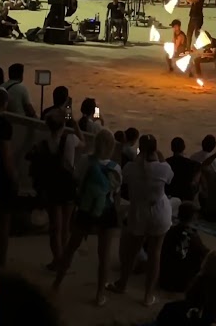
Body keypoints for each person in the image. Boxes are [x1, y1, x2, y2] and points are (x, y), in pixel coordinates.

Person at [52, 129, 123, 306]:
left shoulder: (85, 160)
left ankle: (56, 284)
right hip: (107, 212)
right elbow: (115, 192)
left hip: (85, 210)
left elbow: (77, 180)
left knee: (70, 248)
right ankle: (100, 295)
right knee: (104, 255)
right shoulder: (116, 168)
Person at [111, 134, 175, 307]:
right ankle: (148, 296)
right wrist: (160, 156)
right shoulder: (163, 168)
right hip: (159, 212)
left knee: (131, 252)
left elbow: (124, 179)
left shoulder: (131, 168)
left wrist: (139, 158)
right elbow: (169, 176)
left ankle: (122, 284)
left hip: (138, 212)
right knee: (155, 254)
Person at [32, 109, 83, 269]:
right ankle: (65, 260)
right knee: (66, 227)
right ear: (63, 124)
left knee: (55, 227)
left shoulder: (43, 143)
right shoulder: (70, 139)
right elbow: (84, 143)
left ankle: (57, 259)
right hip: (68, 185)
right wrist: (74, 123)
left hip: (52, 186)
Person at [159, 201, 210, 293]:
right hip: (182, 283)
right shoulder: (193, 237)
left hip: (163, 278)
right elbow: (204, 253)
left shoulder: (169, 231)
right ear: (193, 217)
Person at [0, 87, 16, 267]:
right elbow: (7, 155)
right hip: (3, 177)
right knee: (4, 222)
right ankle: (1, 261)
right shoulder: (4, 125)